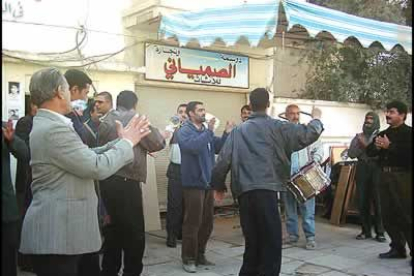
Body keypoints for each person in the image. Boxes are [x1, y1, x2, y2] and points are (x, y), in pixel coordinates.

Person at [19, 67, 151, 276]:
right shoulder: (55, 128)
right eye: (66, 88)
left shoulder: (53, 123)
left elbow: (85, 154)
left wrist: (120, 141)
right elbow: (96, 166)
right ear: (58, 92)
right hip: (58, 234)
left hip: (68, 232)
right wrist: (127, 142)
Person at [211, 88, 323, 276]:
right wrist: (317, 118)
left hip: (245, 193)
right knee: (271, 244)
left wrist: (218, 185)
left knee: (252, 242)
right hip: (268, 191)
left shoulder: (238, 131)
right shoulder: (279, 127)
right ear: (268, 104)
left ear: (251, 104)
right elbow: (308, 134)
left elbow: (222, 160)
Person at [98, 90, 165, 276]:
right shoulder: (136, 119)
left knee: (113, 230)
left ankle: (109, 271)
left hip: (107, 180)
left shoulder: (105, 120)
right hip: (128, 181)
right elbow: (157, 143)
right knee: (134, 233)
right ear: (135, 104)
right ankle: (132, 271)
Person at [177, 101, 234, 273]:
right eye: (200, 110)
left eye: (204, 110)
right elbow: (192, 147)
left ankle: (200, 255)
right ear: (191, 114)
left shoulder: (205, 132)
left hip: (207, 184)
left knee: (207, 223)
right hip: (193, 184)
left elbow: (219, 147)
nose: (204, 113)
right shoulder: (184, 131)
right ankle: (188, 258)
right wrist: (209, 131)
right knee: (192, 223)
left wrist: (226, 133)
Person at [366, 100, 412, 264]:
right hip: (384, 177)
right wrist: (377, 148)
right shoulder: (384, 133)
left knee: (406, 215)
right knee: (387, 214)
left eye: (392, 112)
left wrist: (390, 146)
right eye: (387, 111)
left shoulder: (408, 133)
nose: (388, 115)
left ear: (402, 115)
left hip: (403, 178)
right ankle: (397, 248)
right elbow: (369, 151)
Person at [281, 104, 324, 250]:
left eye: (297, 113)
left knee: (307, 209)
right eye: (292, 113)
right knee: (289, 208)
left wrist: (314, 162)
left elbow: (318, 148)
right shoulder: (282, 132)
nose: (295, 116)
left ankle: (310, 237)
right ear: (286, 115)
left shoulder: (306, 131)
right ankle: (292, 236)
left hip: (305, 176)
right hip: (286, 176)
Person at [348, 112, 386, 242]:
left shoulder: (381, 136)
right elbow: (351, 153)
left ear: (376, 122)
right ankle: (365, 230)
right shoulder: (358, 136)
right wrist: (362, 147)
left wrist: (365, 145)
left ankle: (380, 232)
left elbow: (379, 154)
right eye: (366, 119)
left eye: (371, 120)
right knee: (362, 200)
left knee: (378, 201)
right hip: (362, 167)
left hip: (376, 169)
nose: (368, 122)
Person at [2, 120, 30, 276]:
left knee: (7, 261)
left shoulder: (5, 129)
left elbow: (25, 154)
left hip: (5, 210)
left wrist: (11, 140)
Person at [14, 101, 38, 272]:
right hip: (26, 179)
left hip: (34, 180)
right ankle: (24, 259)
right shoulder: (25, 122)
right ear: (33, 107)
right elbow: (25, 150)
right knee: (26, 220)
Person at [165, 103, 188, 248]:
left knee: (187, 205)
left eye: (186, 112)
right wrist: (174, 124)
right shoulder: (172, 127)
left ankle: (183, 233)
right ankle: (171, 235)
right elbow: (163, 141)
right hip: (175, 170)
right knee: (174, 205)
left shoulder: (196, 128)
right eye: (180, 112)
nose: (183, 114)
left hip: (191, 171)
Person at [64, 69, 93, 144]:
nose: (86, 98)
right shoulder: (65, 117)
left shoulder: (72, 114)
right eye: (86, 93)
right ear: (75, 90)